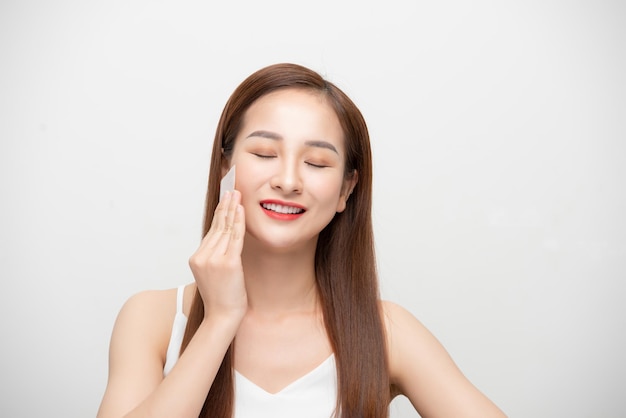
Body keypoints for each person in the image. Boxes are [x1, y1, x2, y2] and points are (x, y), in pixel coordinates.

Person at [96, 63, 506, 418]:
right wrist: (220, 320)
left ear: (347, 189)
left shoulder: (386, 331)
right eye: (263, 154)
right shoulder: (153, 319)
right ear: (225, 166)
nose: (288, 181)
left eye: (316, 162)